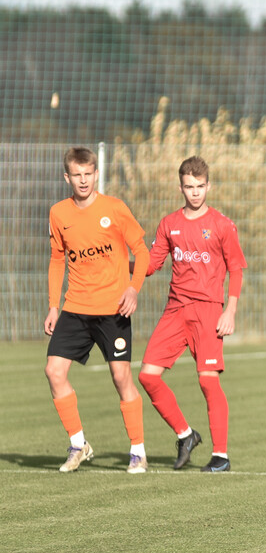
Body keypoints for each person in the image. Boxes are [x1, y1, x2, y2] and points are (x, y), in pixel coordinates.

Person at [45, 146, 151, 473]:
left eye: (88, 174)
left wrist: (133, 288)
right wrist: (53, 306)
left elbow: (142, 252)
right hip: (75, 308)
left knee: (121, 377)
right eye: (76, 175)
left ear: (96, 174)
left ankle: (138, 451)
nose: (83, 180)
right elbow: (57, 259)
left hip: (112, 309)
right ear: (67, 177)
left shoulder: (115, 209)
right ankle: (78, 444)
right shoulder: (59, 213)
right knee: (54, 372)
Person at [138, 156, 247, 472]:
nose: (195, 192)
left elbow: (236, 268)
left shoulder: (221, 225)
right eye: (189, 187)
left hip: (208, 312)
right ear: (181, 187)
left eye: (200, 186)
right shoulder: (169, 224)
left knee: (208, 382)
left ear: (208, 186)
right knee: (147, 375)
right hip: (175, 310)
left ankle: (221, 456)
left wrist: (230, 310)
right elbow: (151, 265)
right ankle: (186, 435)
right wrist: (120, 263)